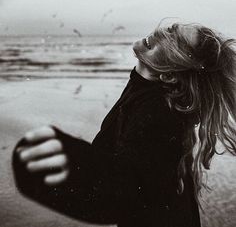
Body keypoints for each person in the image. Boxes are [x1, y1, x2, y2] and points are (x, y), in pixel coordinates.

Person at [12, 22, 236, 227]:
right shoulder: (145, 89)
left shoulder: (159, 113)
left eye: (175, 40)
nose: (161, 32)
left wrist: (72, 164)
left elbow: (125, 187)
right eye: (171, 28)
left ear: (172, 74)